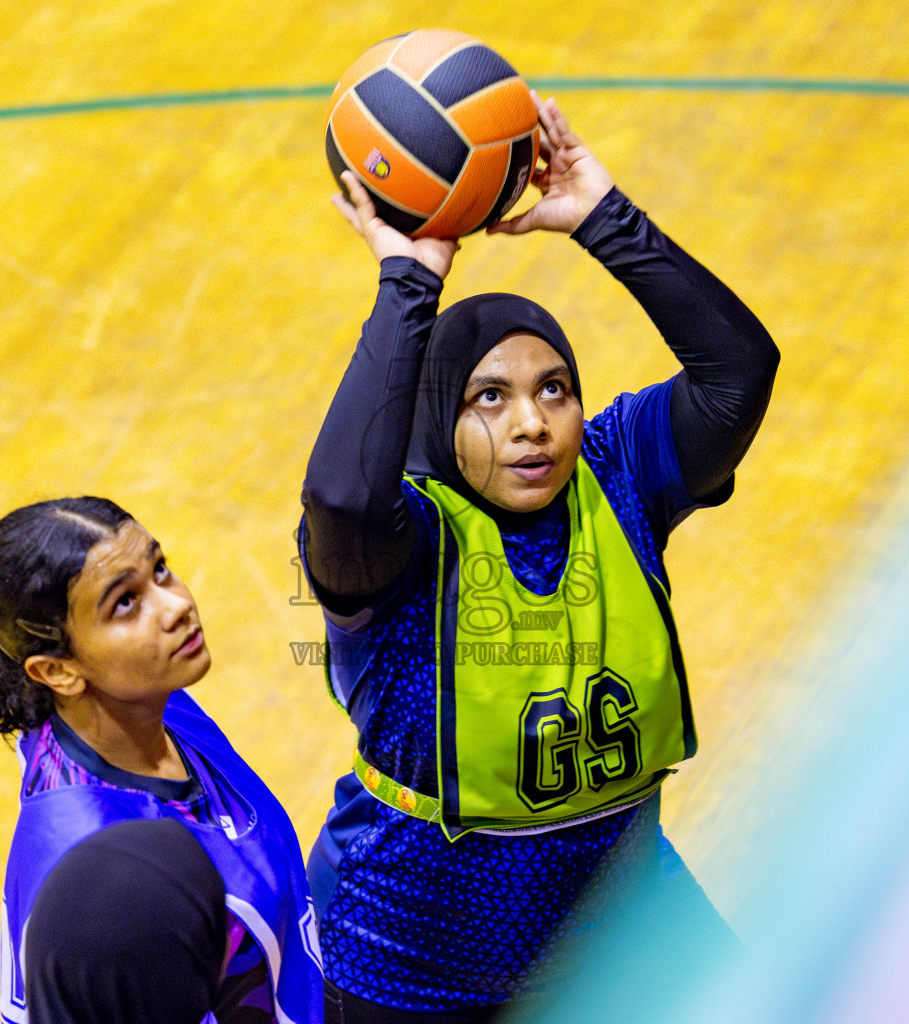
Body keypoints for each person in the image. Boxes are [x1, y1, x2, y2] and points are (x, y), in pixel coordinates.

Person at [299, 95, 780, 1021]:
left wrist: (603, 216)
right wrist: (410, 280)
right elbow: (343, 497)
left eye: (553, 388)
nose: (531, 423)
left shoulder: (620, 471)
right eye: (488, 398)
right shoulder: (405, 538)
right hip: (420, 954)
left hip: (621, 923)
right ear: (438, 418)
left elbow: (738, 373)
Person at [0, 496, 325, 1024]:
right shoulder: (110, 881)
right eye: (125, 604)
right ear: (58, 671)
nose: (175, 604)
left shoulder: (142, 701)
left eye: (160, 570)